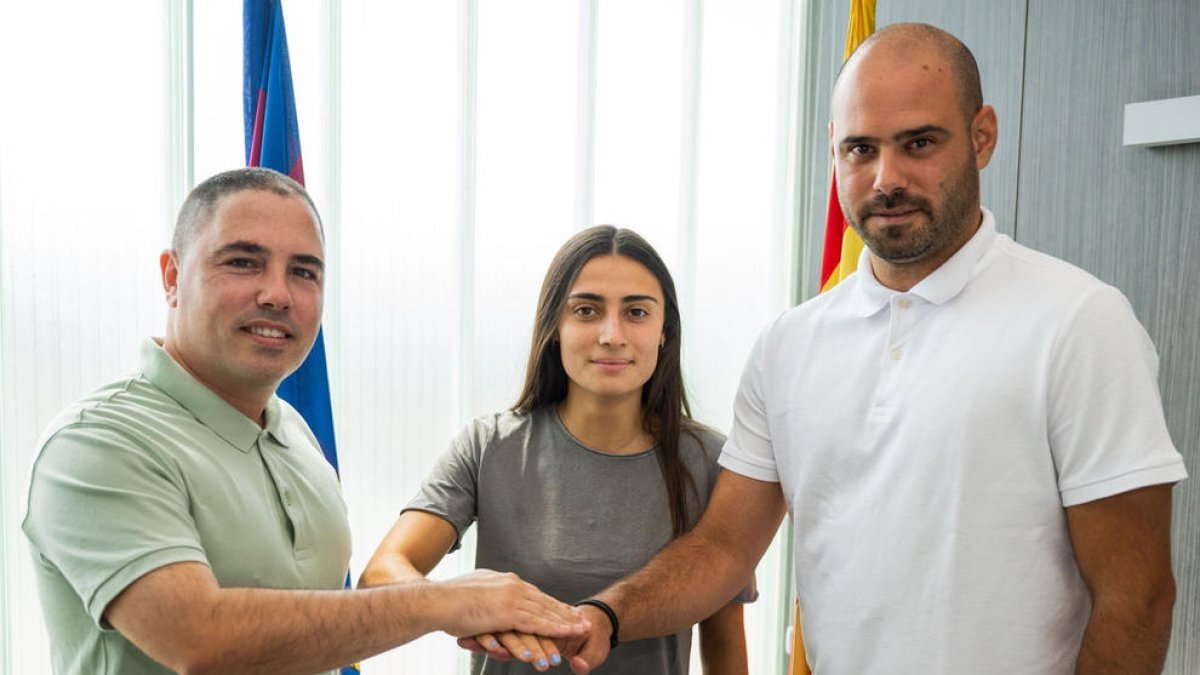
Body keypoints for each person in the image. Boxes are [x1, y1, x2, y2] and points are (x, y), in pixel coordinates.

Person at [558, 23, 1188, 675]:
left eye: (919, 142)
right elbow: (722, 552)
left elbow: (1136, 598)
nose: (887, 177)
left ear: (982, 136)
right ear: (834, 151)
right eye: (860, 148)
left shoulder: (1080, 323)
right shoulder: (788, 345)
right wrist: (606, 613)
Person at [22, 167, 587, 675]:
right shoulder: (99, 443)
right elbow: (198, 640)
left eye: (304, 272)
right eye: (243, 262)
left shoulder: (294, 430)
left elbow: (315, 634)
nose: (277, 294)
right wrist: (445, 602)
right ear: (171, 276)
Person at [358, 225, 754, 674]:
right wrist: (458, 601)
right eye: (586, 310)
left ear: (666, 332)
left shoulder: (711, 464)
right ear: (554, 328)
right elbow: (382, 573)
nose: (611, 334)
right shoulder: (488, 446)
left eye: (637, 313)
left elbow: (724, 644)